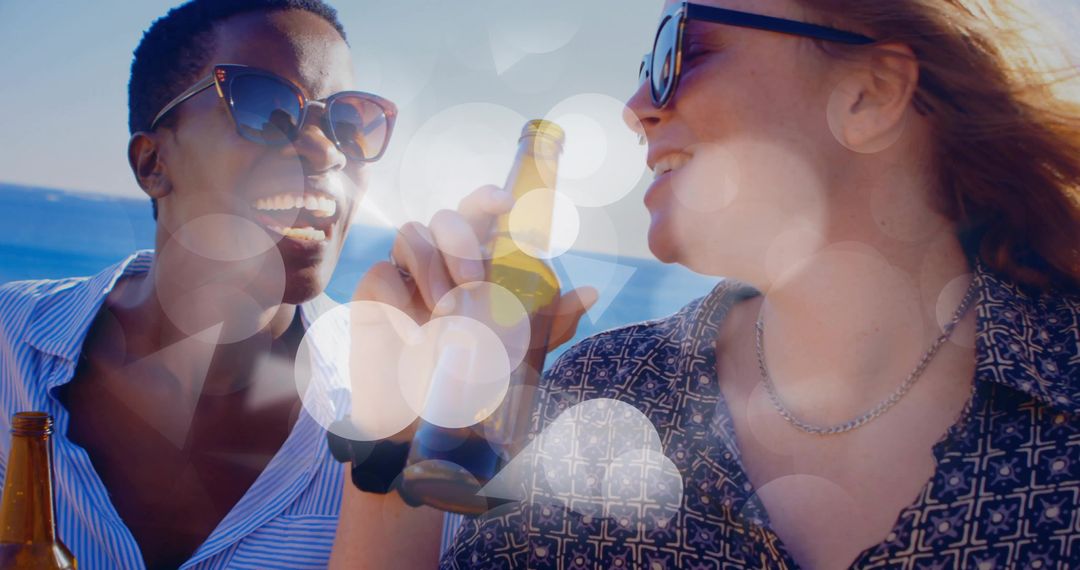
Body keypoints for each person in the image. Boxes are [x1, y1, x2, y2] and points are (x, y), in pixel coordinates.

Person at [334, 0, 1080, 568]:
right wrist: (397, 437)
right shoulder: (604, 395)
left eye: (678, 47)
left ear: (870, 93)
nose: (635, 108)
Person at [0, 0, 430, 568]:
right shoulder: (11, 352)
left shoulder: (398, 407)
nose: (326, 152)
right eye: (265, 105)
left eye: (348, 124)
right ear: (153, 163)